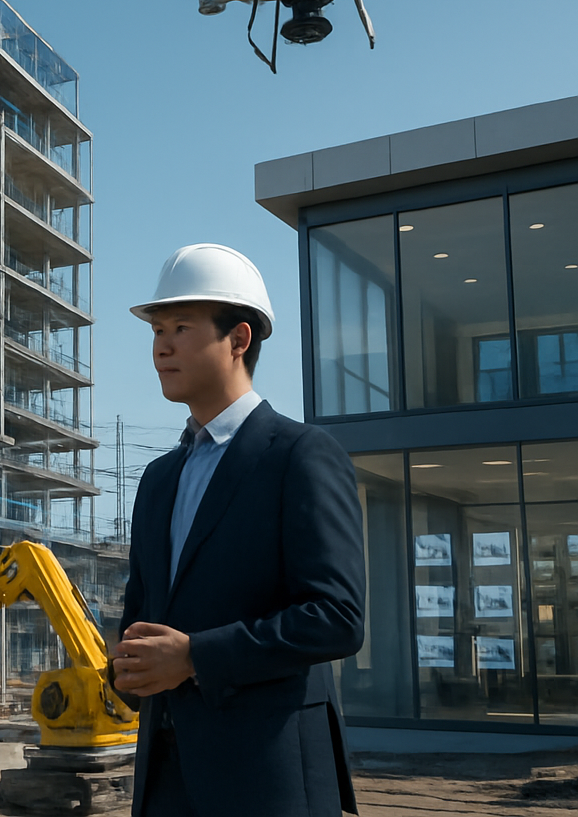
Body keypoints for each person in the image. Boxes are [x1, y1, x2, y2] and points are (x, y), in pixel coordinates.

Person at [110, 244, 366, 817]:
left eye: (180, 327)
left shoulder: (300, 456)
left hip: (266, 778)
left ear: (240, 339)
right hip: (165, 781)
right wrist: (125, 669)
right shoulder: (158, 479)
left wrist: (196, 656)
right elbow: (140, 614)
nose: (161, 346)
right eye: (156, 330)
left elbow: (336, 619)